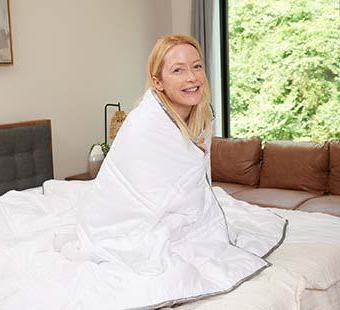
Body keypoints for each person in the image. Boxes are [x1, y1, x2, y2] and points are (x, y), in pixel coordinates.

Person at [66, 34, 286, 309]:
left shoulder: (200, 115)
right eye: (178, 70)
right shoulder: (145, 124)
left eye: (196, 66)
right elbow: (143, 191)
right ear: (158, 82)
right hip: (119, 219)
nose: (192, 77)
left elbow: (195, 178)